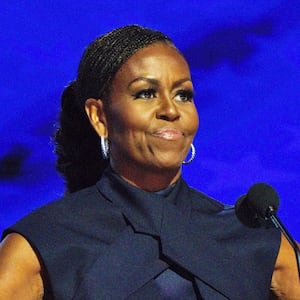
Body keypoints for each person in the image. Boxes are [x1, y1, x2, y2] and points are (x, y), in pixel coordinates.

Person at [0, 25, 299, 300]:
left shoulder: (253, 237)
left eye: (183, 95)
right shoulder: (45, 243)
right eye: (146, 93)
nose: (170, 109)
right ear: (99, 117)